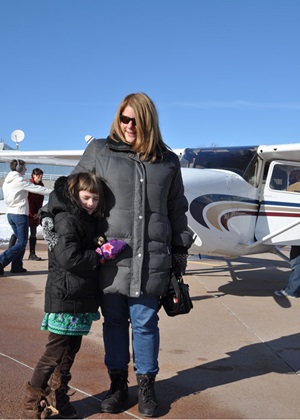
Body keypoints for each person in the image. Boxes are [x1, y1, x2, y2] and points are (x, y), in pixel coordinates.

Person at [72, 92, 193, 417]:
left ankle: (146, 387)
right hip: (110, 257)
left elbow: (176, 207)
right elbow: (72, 191)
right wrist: (62, 227)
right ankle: (117, 385)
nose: (129, 125)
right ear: (118, 119)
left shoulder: (168, 160)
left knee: (145, 323)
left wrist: (180, 248)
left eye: (136, 120)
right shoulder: (100, 151)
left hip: (152, 258)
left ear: (148, 121)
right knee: (113, 322)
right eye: (124, 118)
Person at [23, 172, 127, 419]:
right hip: (65, 297)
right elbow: (69, 258)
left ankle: (58, 397)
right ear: (75, 195)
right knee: (53, 355)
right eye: (86, 197)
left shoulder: (87, 219)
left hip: (80, 299)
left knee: (68, 356)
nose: (91, 203)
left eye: (95, 198)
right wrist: (101, 255)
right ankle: (30, 404)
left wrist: (99, 243)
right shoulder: (68, 219)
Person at [0, 160, 52, 276]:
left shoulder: (7, 181)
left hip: (10, 214)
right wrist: (54, 192)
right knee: (22, 242)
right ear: (18, 168)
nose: (26, 169)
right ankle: (1, 261)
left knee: (20, 241)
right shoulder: (19, 181)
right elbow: (38, 189)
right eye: (24, 167)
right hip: (20, 215)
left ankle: (17, 267)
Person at [275, 170, 300, 297]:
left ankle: (292, 291)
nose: (290, 178)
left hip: (297, 234)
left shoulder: (294, 187)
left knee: (297, 262)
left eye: (293, 176)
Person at [28, 168, 45, 261]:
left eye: (41, 176)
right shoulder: (29, 185)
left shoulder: (41, 186)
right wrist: (31, 213)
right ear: (33, 175)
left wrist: (38, 212)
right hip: (26, 212)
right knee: (18, 234)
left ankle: (32, 253)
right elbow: (28, 200)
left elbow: (40, 201)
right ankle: (11, 251)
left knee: (33, 233)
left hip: (35, 213)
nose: (40, 178)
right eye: (38, 176)